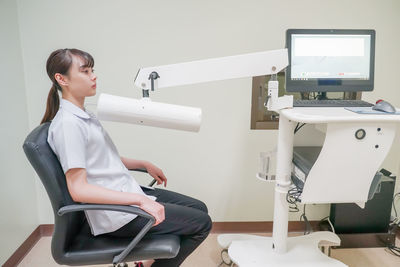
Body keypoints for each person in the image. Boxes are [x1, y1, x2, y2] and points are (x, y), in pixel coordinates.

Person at [41, 48, 212, 267]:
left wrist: (142, 164)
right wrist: (140, 201)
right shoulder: (68, 125)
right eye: (85, 71)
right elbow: (79, 189)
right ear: (61, 78)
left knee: (199, 208)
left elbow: (102, 159)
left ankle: (145, 262)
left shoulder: (84, 116)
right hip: (118, 214)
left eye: (93, 70)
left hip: (127, 192)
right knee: (202, 224)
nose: (93, 76)